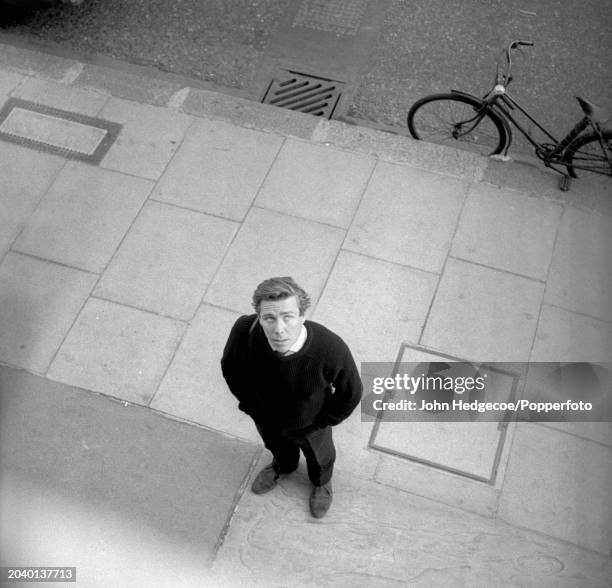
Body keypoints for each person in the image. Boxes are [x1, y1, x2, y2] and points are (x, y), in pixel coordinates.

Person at [221, 277, 362, 518]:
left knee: (320, 456)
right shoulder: (245, 330)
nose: (279, 329)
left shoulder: (329, 349)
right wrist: (249, 406)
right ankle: (283, 467)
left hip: (309, 423)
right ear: (258, 317)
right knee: (276, 446)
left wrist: (321, 421)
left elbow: (352, 392)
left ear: (301, 317)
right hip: (266, 417)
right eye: (269, 318)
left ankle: (321, 482)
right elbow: (230, 367)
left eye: (288, 316)